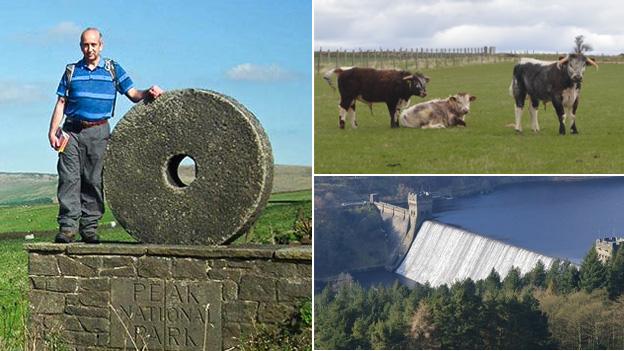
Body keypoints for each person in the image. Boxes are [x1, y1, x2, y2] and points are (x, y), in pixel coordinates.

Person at [48, 27, 163, 243]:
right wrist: (53, 130)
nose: (89, 48)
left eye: (93, 44)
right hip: (71, 131)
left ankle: (89, 228)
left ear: (101, 45)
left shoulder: (112, 69)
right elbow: (61, 102)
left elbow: (133, 94)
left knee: (93, 179)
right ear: (80, 46)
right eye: (85, 44)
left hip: (99, 131)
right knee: (69, 179)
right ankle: (68, 228)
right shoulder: (72, 71)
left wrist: (148, 92)